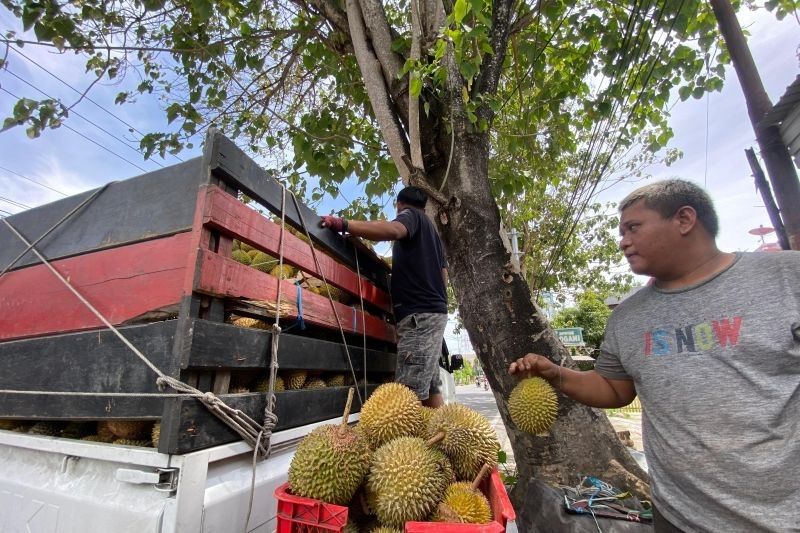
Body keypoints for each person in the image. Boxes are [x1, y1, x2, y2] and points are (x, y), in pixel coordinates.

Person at [509, 179, 799, 532]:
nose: (623, 242)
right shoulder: (628, 317)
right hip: (677, 517)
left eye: (634, 227)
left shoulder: (785, 278)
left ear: (684, 219)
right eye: (622, 232)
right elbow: (615, 389)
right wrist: (554, 373)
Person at [321, 186, 448, 407]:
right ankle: (443, 437)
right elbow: (443, 274)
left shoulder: (410, 216)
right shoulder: (433, 234)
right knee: (428, 388)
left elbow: (393, 230)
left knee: (407, 397)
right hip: (433, 314)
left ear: (399, 205)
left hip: (419, 316)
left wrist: (345, 224)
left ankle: (409, 442)